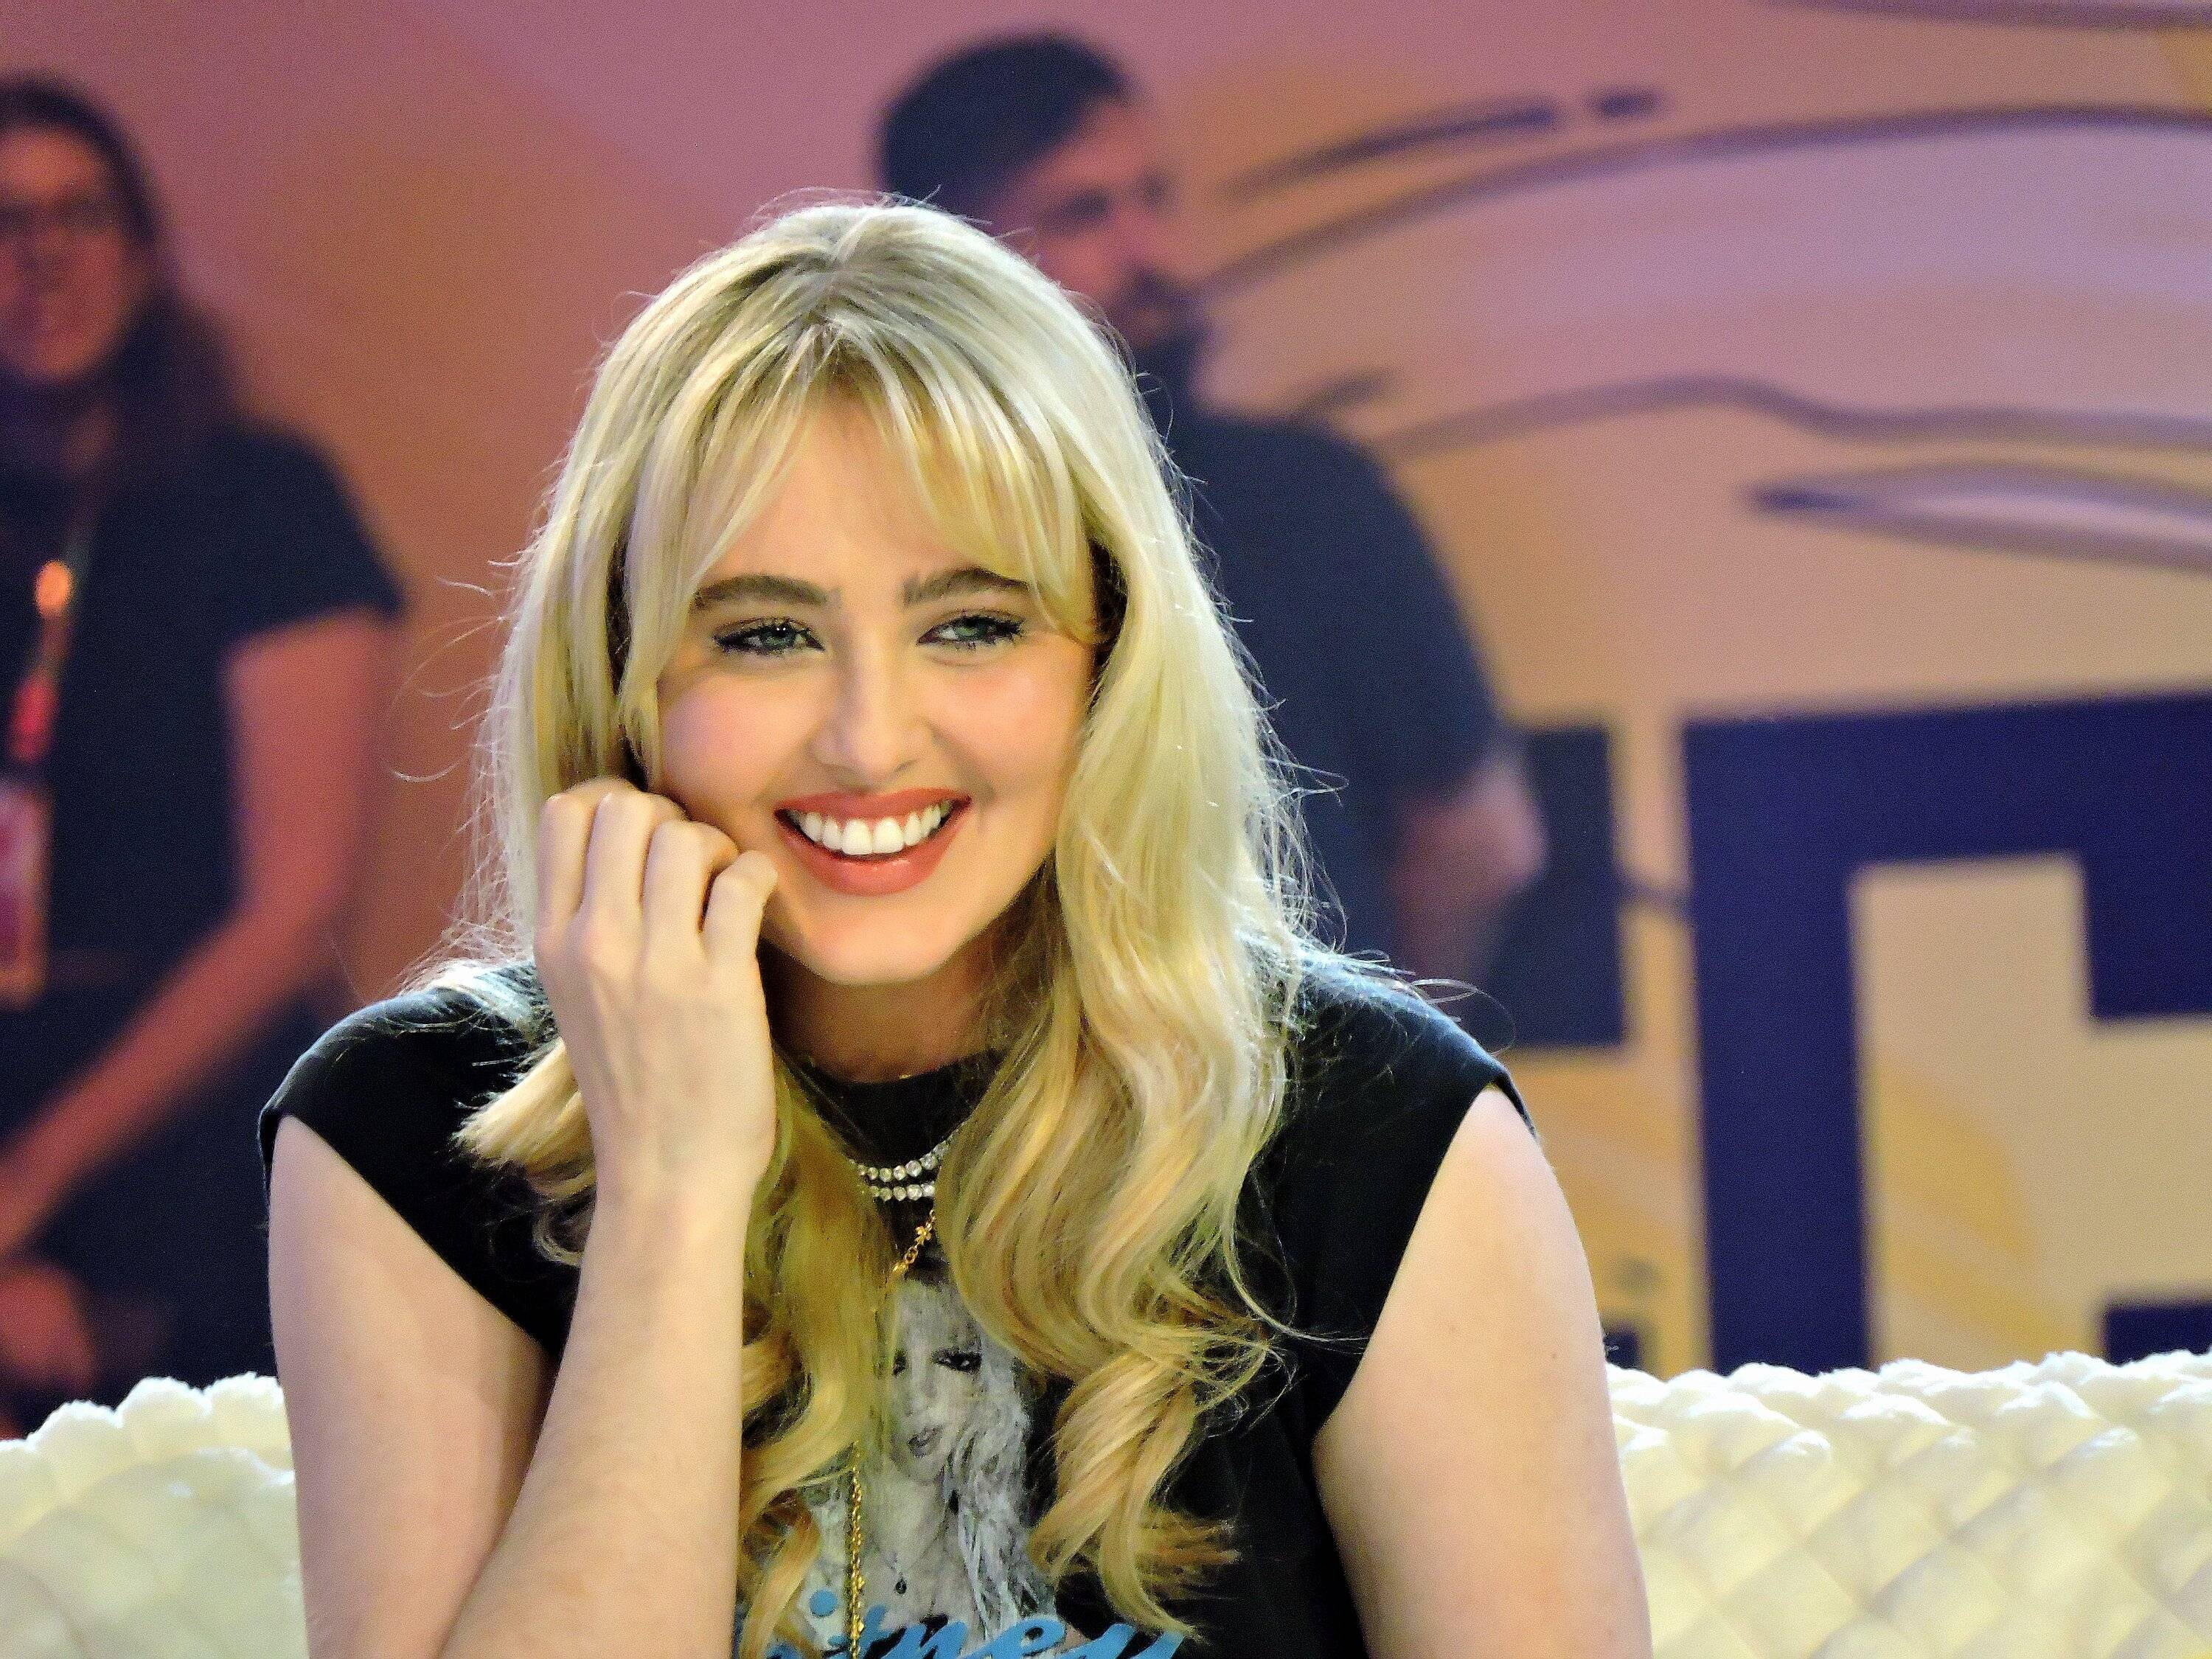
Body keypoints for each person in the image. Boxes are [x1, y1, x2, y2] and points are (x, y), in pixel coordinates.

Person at [259, 197, 1646, 1658]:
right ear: (622, 677)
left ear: (1109, 654)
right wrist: (668, 1196)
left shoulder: (1385, 1128)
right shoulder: (402, 1132)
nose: (869, 740)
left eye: (971, 625)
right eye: (765, 634)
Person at [877, 34, 1547, 998]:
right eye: (1082, 212)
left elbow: (1480, 843)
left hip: (1274, 1077)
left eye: (1154, 198)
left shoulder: (1313, 501)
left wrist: (1367, 1064)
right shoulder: (866, 519)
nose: (1149, 253)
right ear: (948, 261)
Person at [0, 77, 404, 1432]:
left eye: (77, 216)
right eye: (3, 223)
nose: (41, 259)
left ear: (142, 251)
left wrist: (26, 1186)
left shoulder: (262, 505)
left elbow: (292, 910)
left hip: (189, 1108)